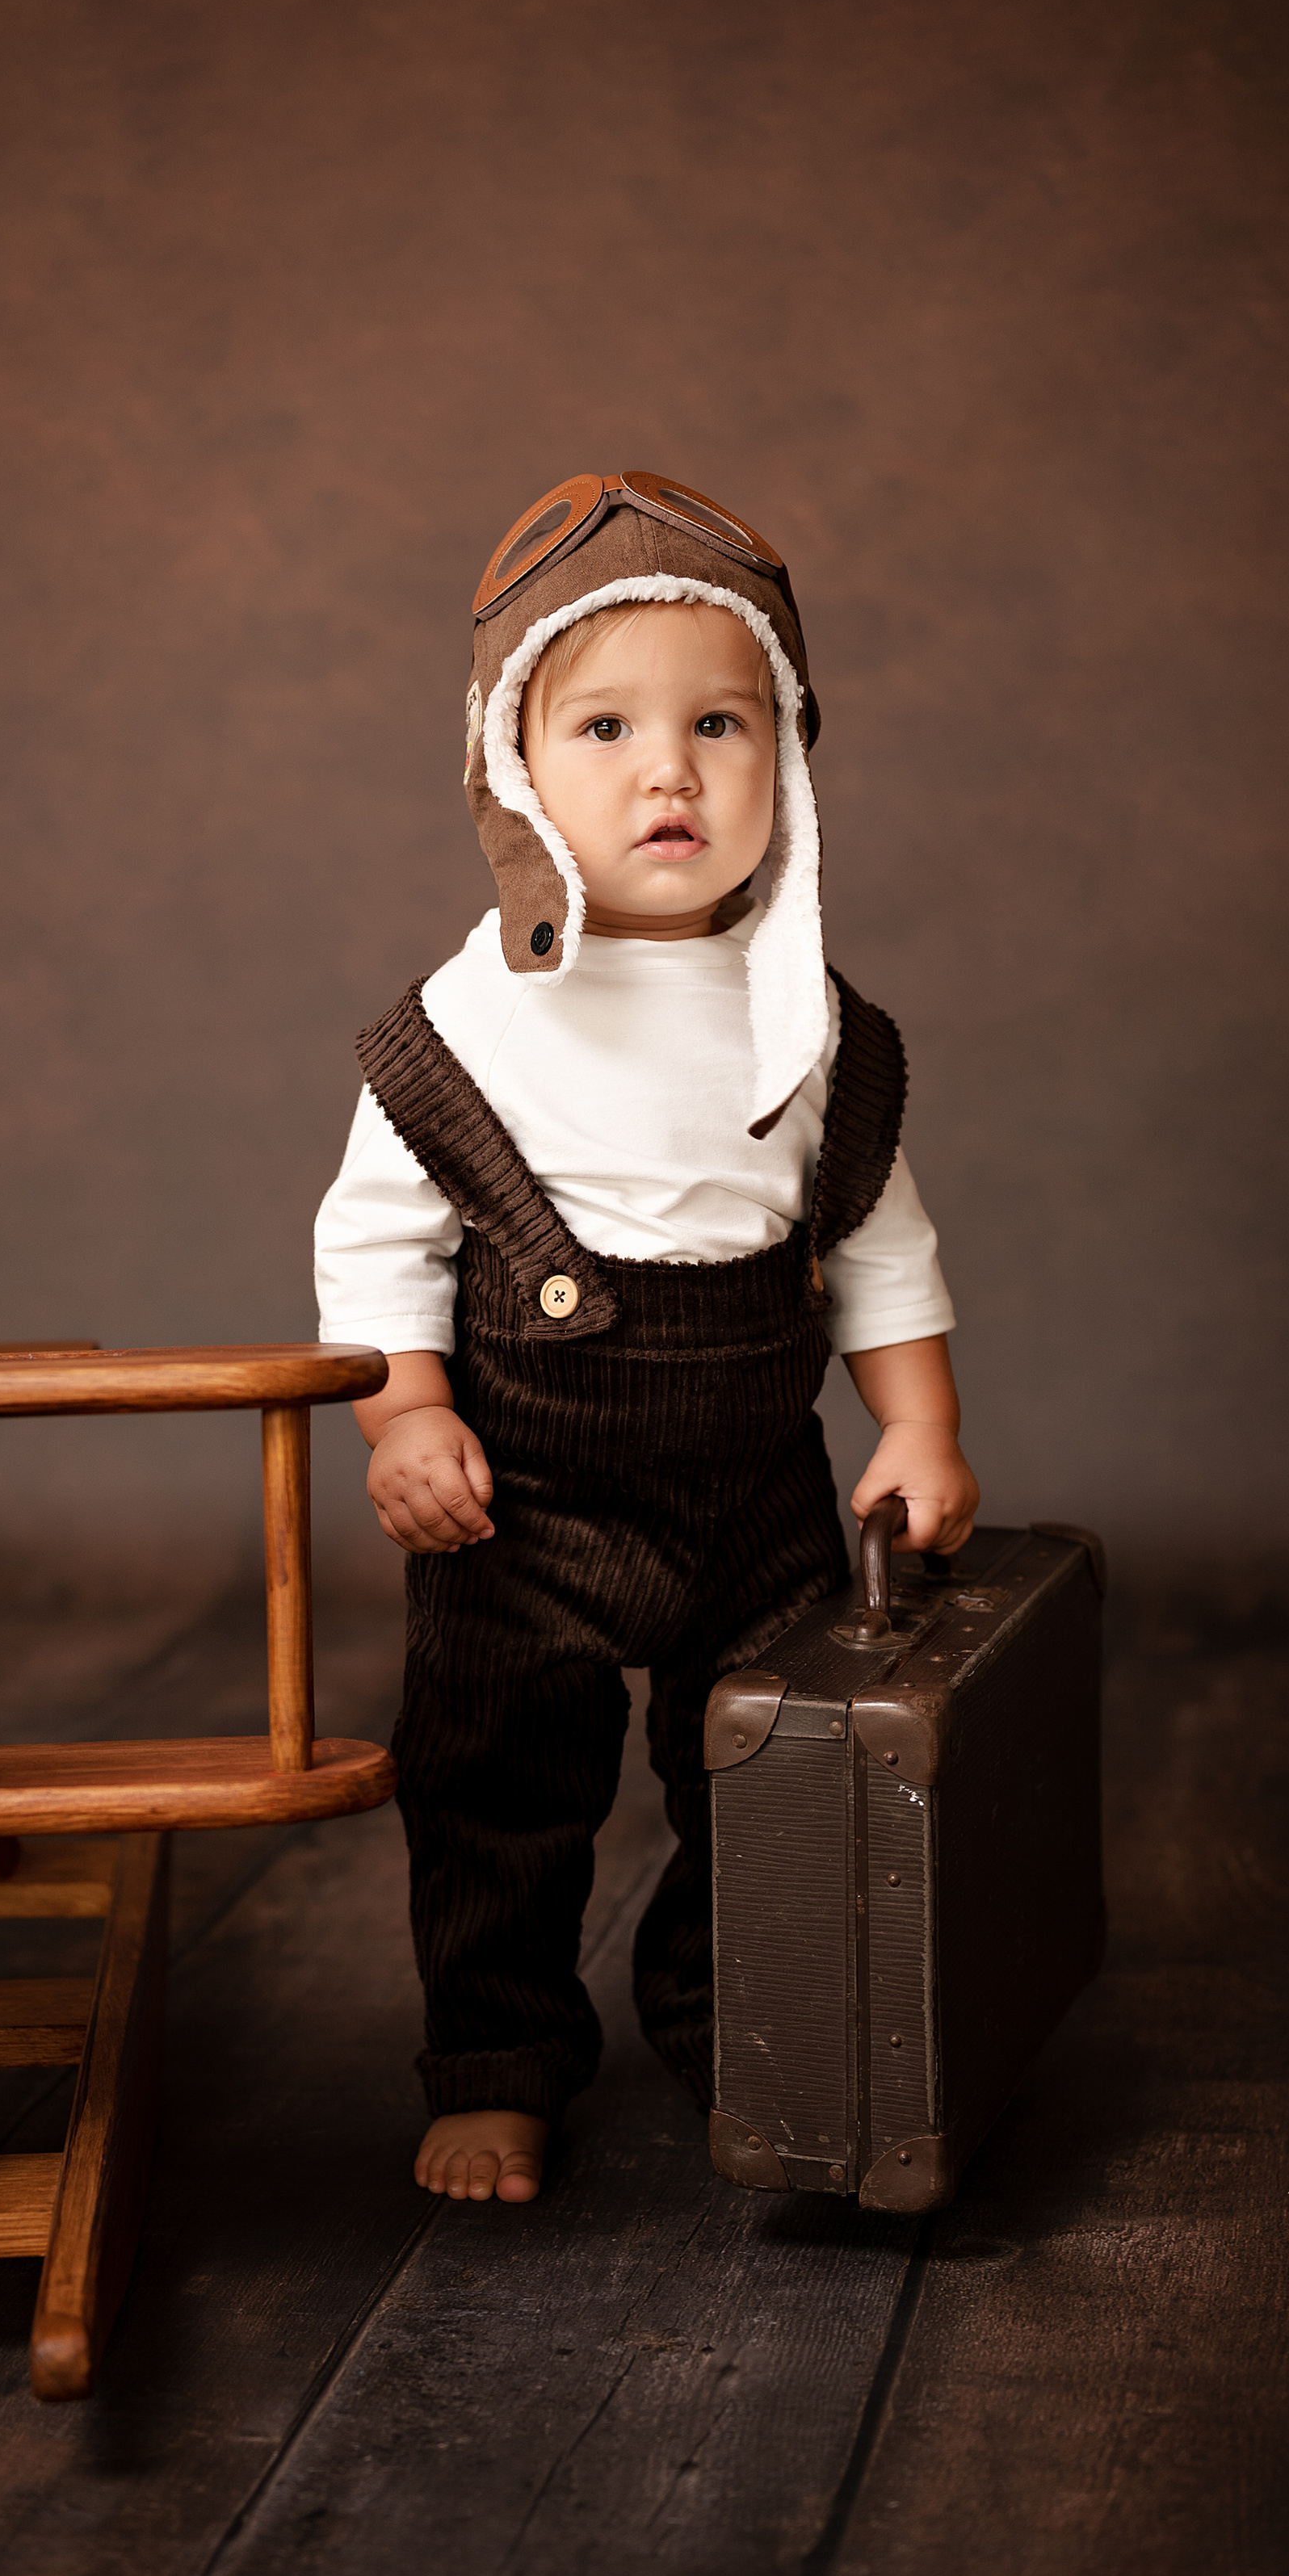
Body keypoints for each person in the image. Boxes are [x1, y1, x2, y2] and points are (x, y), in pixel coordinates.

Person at [314, 471, 979, 2206]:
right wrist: (402, 1414)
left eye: (719, 724)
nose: (666, 770)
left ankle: (736, 2044)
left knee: (764, 1780)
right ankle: (496, 2057)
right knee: (493, 1788)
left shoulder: (808, 1016)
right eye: (601, 725)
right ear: (511, 770)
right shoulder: (470, 1014)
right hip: (518, 1486)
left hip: (755, 1481)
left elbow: (874, 1243)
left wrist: (915, 1427)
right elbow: (381, 1236)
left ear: (791, 765)